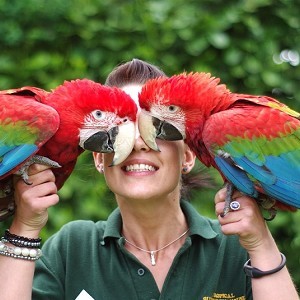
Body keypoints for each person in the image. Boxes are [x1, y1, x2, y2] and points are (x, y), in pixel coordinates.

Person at [0, 59, 298, 300]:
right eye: (124, 134)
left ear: (189, 156)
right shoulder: (72, 249)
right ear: (98, 158)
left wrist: (260, 245)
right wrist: (24, 228)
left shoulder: (235, 249)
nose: (139, 144)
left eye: (156, 130)